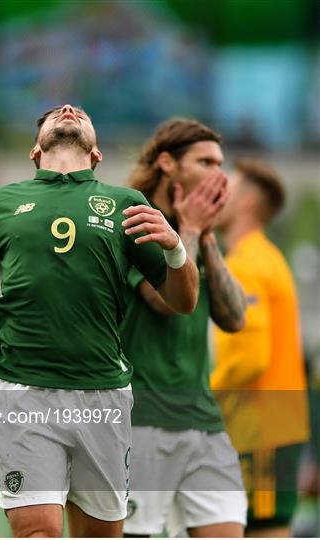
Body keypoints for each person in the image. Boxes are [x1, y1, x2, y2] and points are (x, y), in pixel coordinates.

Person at [0, 104, 199, 538]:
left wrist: (175, 249)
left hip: (103, 393)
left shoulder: (127, 204)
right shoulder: (4, 200)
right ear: (35, 151)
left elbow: (183, 300)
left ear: (97, 155)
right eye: (53, 114)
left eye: (79, 113)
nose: (68, 110)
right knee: (38, 532)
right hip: (23, 389)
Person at [120, 118, 248, 538]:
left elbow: (234, 318)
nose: (220, 174)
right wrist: (187, 232)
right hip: (143, 420)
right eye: (206, 161)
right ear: (167, 163)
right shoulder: (135, 220)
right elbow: (167, 301)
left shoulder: (202, 233)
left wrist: (206, 237)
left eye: (221, 163)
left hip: (203, 420)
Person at [211, 157, 310, 537]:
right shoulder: (267, 257)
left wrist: (205, 396)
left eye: (229, 190)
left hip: (261, 430)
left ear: (248, 203)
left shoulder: (248, 263)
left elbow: (251, 358)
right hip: (275, 428)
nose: (219, 196)